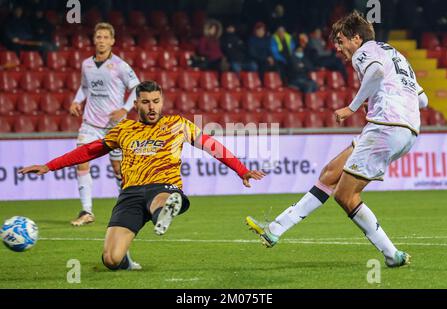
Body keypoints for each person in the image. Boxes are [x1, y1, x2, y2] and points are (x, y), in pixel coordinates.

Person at [246, 11, 429, 268]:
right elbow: (423, 100)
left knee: (345, 196)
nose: (339, 48)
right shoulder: (396, 54)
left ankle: (392, 254)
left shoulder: (365, 51)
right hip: (406, 129)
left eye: (342, 41)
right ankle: (276, 228)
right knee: (331, 172)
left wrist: (353, 107)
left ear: (356, 38)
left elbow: (375, 74)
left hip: (386, 127)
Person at [19, 80, 265, 271]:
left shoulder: (178, 125)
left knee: (162, 199)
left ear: (162, 101)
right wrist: (49, 166)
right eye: (146, 102)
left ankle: (164, 211)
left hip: (163, 186)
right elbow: (89, 150)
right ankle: (125, 259)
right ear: (136, 104)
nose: (151, 107)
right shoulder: (124, 129)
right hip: (130, 194)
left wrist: (241, 170)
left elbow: (212, 145)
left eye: (156, 101)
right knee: (110, 260)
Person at [69, 22, 140, 226]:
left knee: (117, 168)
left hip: (114, 126)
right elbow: (84, 87)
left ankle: (128, 208)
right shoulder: (86, 64)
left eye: (105, 37)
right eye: (98, 36)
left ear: (112, 41)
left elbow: (137, 88)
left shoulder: (120, 66)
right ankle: (86, 211)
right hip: (90, 123)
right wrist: (76, 100)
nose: (101, 40)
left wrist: (125, 109)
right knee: (81, 161)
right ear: (94, 39)